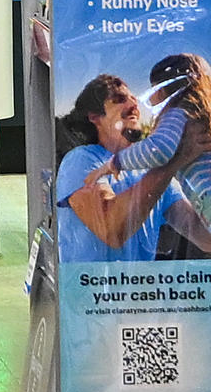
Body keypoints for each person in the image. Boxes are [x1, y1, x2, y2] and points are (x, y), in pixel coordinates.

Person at [50, 75, 180, 266]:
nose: (133, 105)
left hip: (142, 292)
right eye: (119, 100)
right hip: (91, 292)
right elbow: (111, 230)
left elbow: (205, 238)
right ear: (95, 117)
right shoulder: (81, 160)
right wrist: (170, 165)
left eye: (133, 99)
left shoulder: (150, 170)